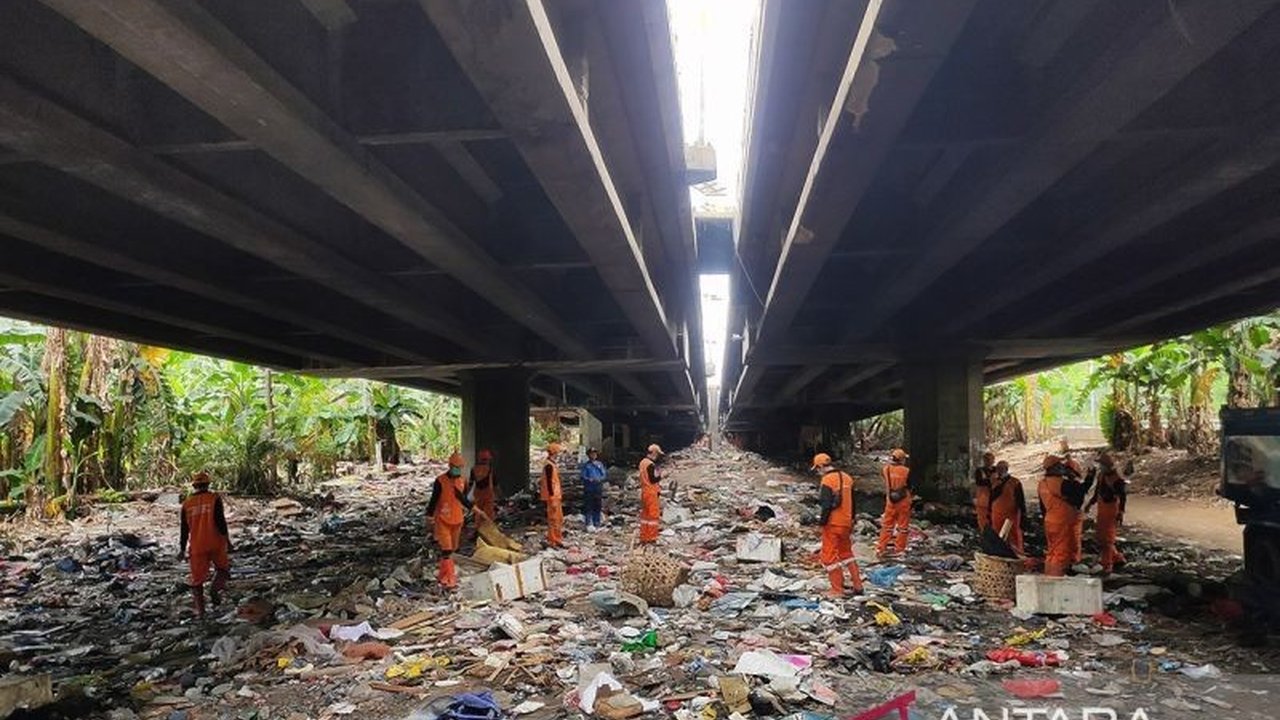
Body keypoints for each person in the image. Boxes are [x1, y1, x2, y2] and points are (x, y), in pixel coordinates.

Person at [177, 471, 232, 618]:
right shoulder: (214, 499)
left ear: (194, 486)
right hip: (216, 543)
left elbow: (184, 529)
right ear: (208, 484)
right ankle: (214, 591)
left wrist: (182, 549)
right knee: (223, 570)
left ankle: (201, 612)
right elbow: (221, 523)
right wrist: (228, 541)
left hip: (197, 546)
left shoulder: (187, 504)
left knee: (197, 581)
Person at [813, 453, 864, 597]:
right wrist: (852, 520)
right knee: (846, 553)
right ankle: (858, 585)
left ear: (821, 467)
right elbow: (854, 503)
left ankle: (837, 589)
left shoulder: (827, 480)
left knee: (829, 557)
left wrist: (821, 523)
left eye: (817, 469)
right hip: (846, 522)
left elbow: (826, 505)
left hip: (833, 523)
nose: (818, 472)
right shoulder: (847, 478)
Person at [1038, 454, 1095, 576]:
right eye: (1059, 465)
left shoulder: (1042, 484)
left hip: (1050, 521)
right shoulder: (1059, 483)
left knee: (1052, 551)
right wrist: (1090, 477)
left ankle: (1050, 574)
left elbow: (1042, 507)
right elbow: (1080, 490)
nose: (1062, 467)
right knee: (1061, 553)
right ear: (1054, 468)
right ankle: (1056, 579)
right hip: (1062, 522)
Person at [426, 452, 475, 589]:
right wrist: (429, 516)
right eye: (455, 467)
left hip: (457, 520)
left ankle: (443, 574)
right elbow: (434, 499)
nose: (457, 470)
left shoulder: (462, 481)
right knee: (446, 549)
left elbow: (464, 499)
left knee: (453, 549)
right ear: (450, 466)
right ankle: (449, 579)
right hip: (442, 519)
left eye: (459, 467)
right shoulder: (440, 481)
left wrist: (474, 509)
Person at [1084, 453, 1128, 575]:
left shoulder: (1117, 479)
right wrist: (1090, 504)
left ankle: (1107, 565)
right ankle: (1117, 558)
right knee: (1101, 536)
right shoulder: (1101, 476)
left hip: (1111, 510)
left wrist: (1121, 512)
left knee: (1107, 539)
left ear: (1107, 466)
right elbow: (1097, 492)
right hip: (1102, 509)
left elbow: (1123, 497)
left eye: (1101, 465)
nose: (1100, 467)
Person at [876, 448, 912, 557]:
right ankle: (899, 549)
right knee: (903, 527)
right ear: (902, 460)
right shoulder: (906, 471)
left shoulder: (886, 469)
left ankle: (881, 548)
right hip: (903, 501)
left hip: (890, 501)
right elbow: (910, 485)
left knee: (887, 525)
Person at [988, 460, 1027, 554]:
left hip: (1011, 515)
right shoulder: (994, 482)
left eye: (1001, 468)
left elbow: (1021, 501)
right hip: (996, 515)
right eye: (998, 468)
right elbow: (991, 499)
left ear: (1006, 469)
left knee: (1013, 537)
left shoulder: (1015, 482)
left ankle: (1017, 555)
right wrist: (988, 513)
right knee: (997, 536)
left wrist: (1023, 516)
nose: (999, 470)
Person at [638, 444, 664, 544]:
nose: (657, 457)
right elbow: (653, 479)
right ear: (654, 453)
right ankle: (652, 537)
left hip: (644, 491)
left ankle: (644, 536)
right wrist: (661, 476)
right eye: (657, 454)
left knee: (645, 515)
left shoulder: (642, 462)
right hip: (651, 492)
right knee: (653, 516)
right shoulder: (650, 464)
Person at [541, 443, 565, 547]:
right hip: (553, 497)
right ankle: (553, 539)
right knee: (553, 519)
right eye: (558, 453)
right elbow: (549, 483)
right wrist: (551, 496)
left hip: (555, 495)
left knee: (558, 518)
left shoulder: (551, 464)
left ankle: (557, 538)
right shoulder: (549, 466)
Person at [581, 447, 607, 530]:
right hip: (589, 488)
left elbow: (604, 474)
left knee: (597, 505)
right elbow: (583, 476)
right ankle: (588, 522)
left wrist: (600, 479)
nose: (593, 455)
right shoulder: (586, 465)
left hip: (598, 487)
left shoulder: (599, 464)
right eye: (592, 454)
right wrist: (589, 479)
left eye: (595, 454)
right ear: (588, 455)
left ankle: (597, 522)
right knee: (589, 506)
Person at [468, 449, 498, 521]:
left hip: (478, 495)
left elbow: (470, 483)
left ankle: (478, 526)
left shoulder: (474, 469)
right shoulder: (490, 469)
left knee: (478, 513)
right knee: (488, 515)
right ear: (487, 459)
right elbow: (495, 484)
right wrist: (500, 495)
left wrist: (465, 495)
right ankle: (487, 527)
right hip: (488, 495)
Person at [974, 451, 997, 532]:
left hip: (994, 497)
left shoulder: (996, 470)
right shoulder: (980, 471)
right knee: (983, 517)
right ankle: (984, 531)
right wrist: (990, 480)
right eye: (986, 460)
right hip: (983, 498)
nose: (989, 461)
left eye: (990, 459)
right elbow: (979, 482)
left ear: (993, 460)